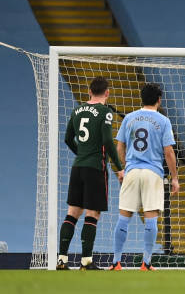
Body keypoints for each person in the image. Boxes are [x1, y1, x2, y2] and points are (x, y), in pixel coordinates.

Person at [109, 83, 180, 271]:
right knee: (151, 218)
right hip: (153, 173)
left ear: (142, 98)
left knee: (124, 218)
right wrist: (174, 177)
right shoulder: (164, 121)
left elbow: (119, 147)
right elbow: (169, 152)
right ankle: (146, 263)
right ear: (159, 100)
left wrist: (125, 168)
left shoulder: (130, 118)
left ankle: (116, 262)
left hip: (132, 172)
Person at [57, 76, 123, 270]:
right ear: (107, 93)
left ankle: (62, 260)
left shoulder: (77, 110)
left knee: (72, 213)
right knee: (92, 213)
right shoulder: (105, 111)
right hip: (95, 168)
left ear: (89, 91)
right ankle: (86, 262)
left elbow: (68, 138)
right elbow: (108, 141)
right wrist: (119, 168)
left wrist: (82, 153)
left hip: (78, 167)